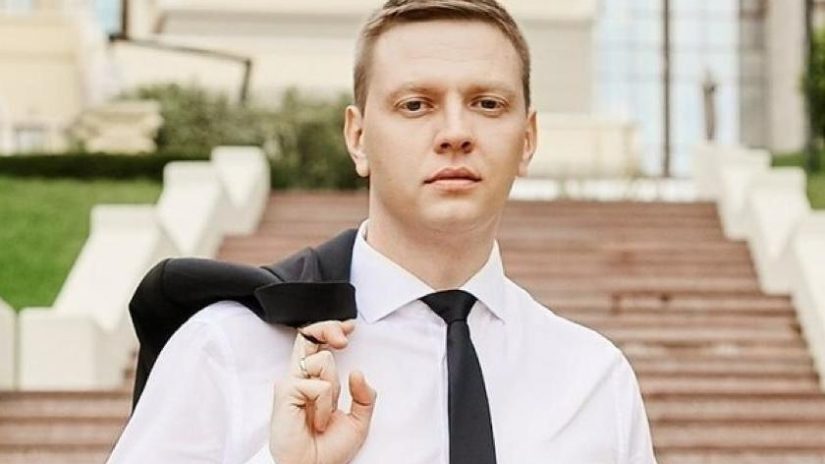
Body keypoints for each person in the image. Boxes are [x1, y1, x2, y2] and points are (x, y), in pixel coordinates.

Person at [108, 0, 658, 463]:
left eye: (488, 104)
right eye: (415, 105)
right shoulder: (226, 348)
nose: (455, 133)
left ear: (528, 139)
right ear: (358, 137)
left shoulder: (595, 380)